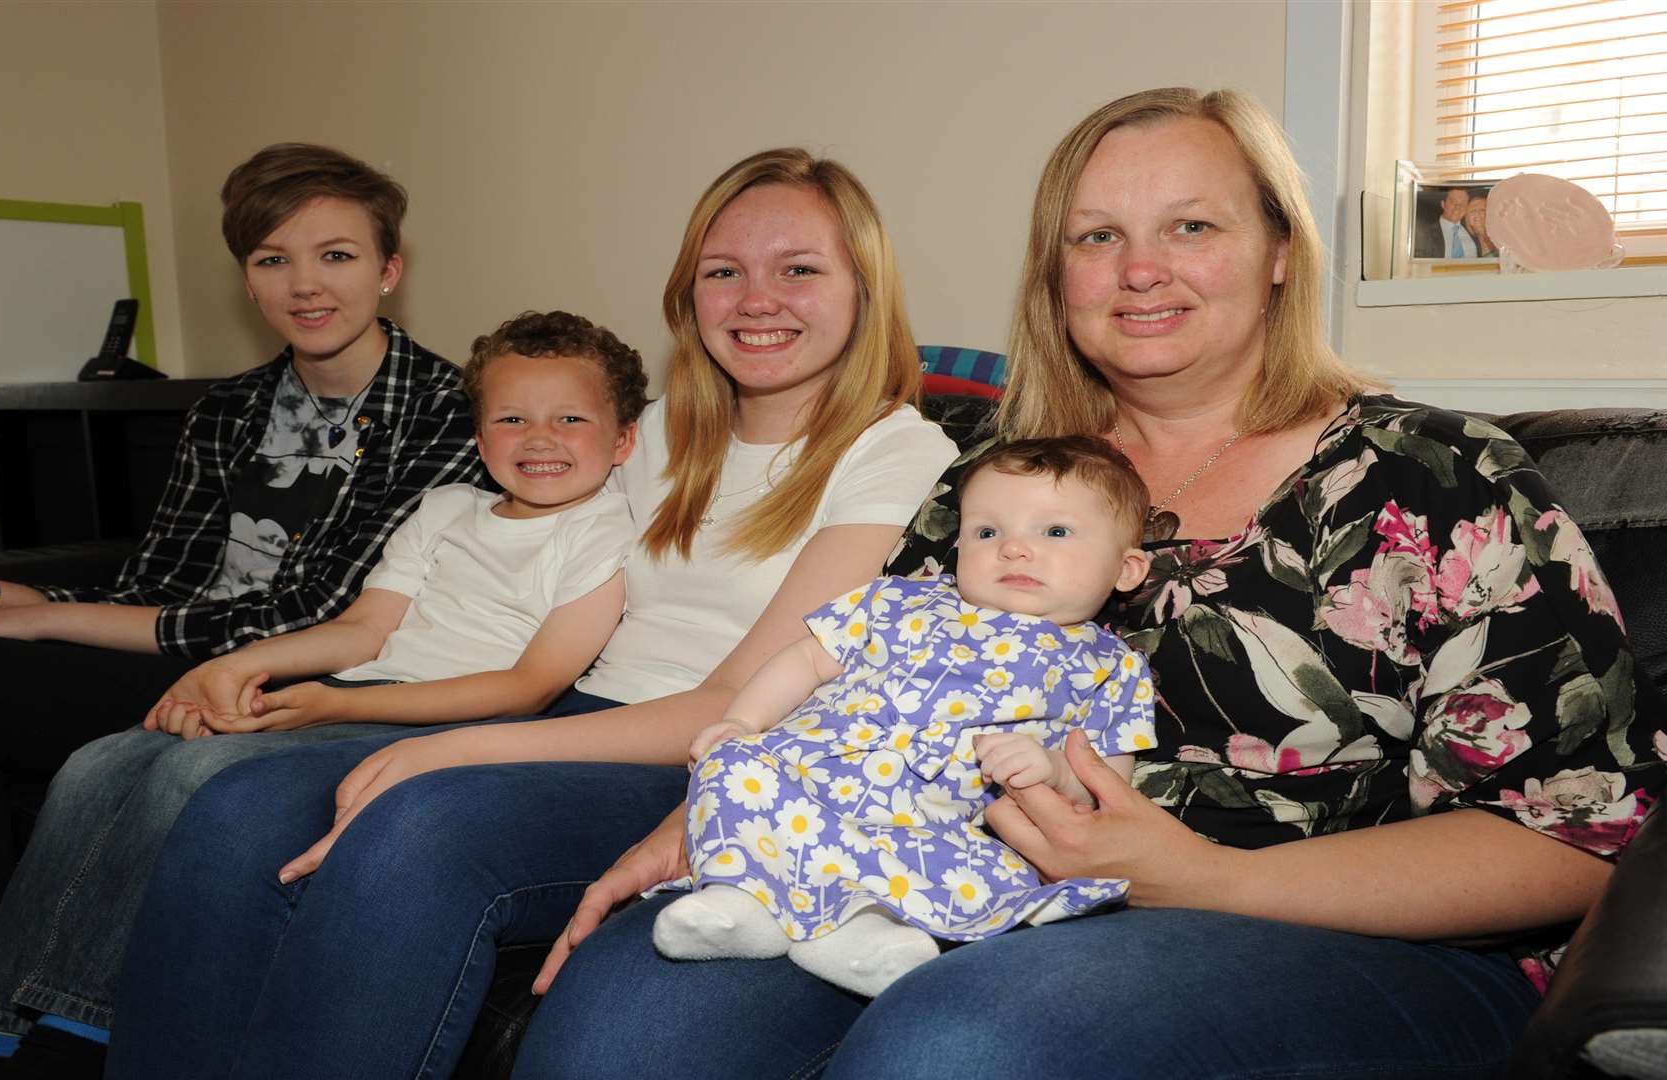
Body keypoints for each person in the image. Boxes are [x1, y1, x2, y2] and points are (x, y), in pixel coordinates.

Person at [516, 87, 1666, 1080]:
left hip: (1346, 936)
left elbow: (1570, 839)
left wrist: (1197, 877)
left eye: (1190, 225)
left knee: (966, 1041)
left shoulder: (1440, 480)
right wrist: (705, 819)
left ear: (1279, 249)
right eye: (1096, 236)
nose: (1141, 269)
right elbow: (849, 666)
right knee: (627, 1016)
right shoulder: (997, 478)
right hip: (931, 878)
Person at [104, 147, 960, 1079]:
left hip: (711, 763)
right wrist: (282, 666)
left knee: (421, 824)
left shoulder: (896, 450)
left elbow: (731, 699)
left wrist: (457, 745)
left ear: (864, 286)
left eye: (799, 268)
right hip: (573, 712)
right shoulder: (656, 427)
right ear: (689, 293)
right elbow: (500, 559)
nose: (758, 299)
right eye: (725, 271)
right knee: (237, 801)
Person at [0, 142, 484, 1079]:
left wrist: (38, 623)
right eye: (272, 259)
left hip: (278, 672)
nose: (305, 285)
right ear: (246, 278)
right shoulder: (227, 411)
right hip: (164, 646)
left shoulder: (454, 410)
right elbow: (155, 584)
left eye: (336, 255)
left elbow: (308, 612)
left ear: (389, 270)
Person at [0, 310, 645, 1070]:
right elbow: (364, 627)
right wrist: (247, 664)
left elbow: (528, 686)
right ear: (480, 440)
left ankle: (80, 1030)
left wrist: (335, 702)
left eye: (569, 418)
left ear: (622, 441)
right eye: (512, 418)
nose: (539, 438)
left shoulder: (605, 532)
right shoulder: (448, 509)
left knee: (197, 771)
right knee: (101, 762)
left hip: (437, 722)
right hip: (363, 686)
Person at [657, 436, 1156, 997]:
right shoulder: (898, 600)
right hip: (804, 782)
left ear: (1127, 568)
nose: (1014, 549)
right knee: (728, 765)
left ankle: (865, 931)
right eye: (988, 532)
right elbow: (806, 658)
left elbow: (1107, 790)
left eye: (1055, 531)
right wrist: (744, 722)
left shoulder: (1110, 666)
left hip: (932, 824)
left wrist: (1053, 771)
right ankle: (738, 899)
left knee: (981, 872)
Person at [1416, 185, 1478, 259]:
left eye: (1463, 203)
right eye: (1453, 202)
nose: (1457, 207)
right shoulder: (1425, 233)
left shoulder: (1473, 231)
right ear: (1443, 204)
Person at [1465, 192, 1500, 258]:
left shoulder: (1503, 241)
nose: (1478, 214)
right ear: (1466, 218)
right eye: (1473, 211)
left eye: (1482, 210)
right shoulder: (1461, 244)